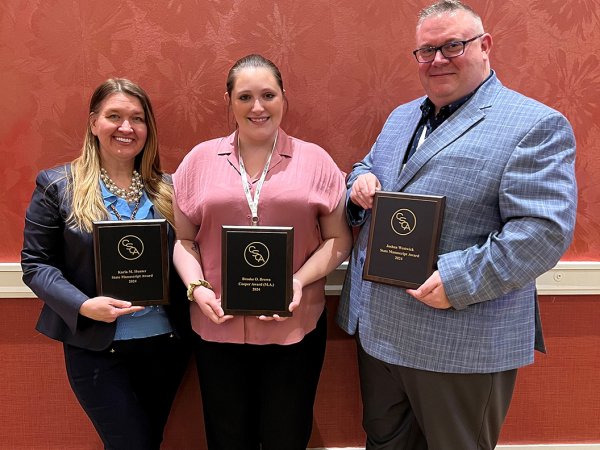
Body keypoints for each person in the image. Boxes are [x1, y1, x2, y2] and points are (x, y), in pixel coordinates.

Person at [336, 1, 577, 449]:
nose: (438, 60)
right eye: (426, 51)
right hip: (380, 332)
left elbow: (542, 231)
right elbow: (367, 166)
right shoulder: (402, 116)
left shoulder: (534, 124)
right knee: (384, 442)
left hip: (460, 338)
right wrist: (358, 184)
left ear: (484, 46)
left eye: (452, 45)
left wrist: (458, 279)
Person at [172, 54, 352, 450]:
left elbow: (339, 240)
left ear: (284, 98)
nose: (257, 107)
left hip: (293, 328)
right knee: (225, 436)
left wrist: (298, 281)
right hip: (216, 324)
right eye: (245, 96)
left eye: (268, 94)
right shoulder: (198, 161)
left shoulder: (316, 161)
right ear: (229, 101)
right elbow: (184, 240)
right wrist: (197, 287)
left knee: (285, 436)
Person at [21, 78, 192, 450]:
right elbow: (36, 264)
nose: (126, 128)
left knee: (150, 441)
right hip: (97, 348)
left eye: (137, 118)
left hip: (166, 345)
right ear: (93, 123)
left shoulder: (170, 189)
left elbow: (191, 253)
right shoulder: (57, 186)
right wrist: (84, 305)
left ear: (148, 128)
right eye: (114, 116)